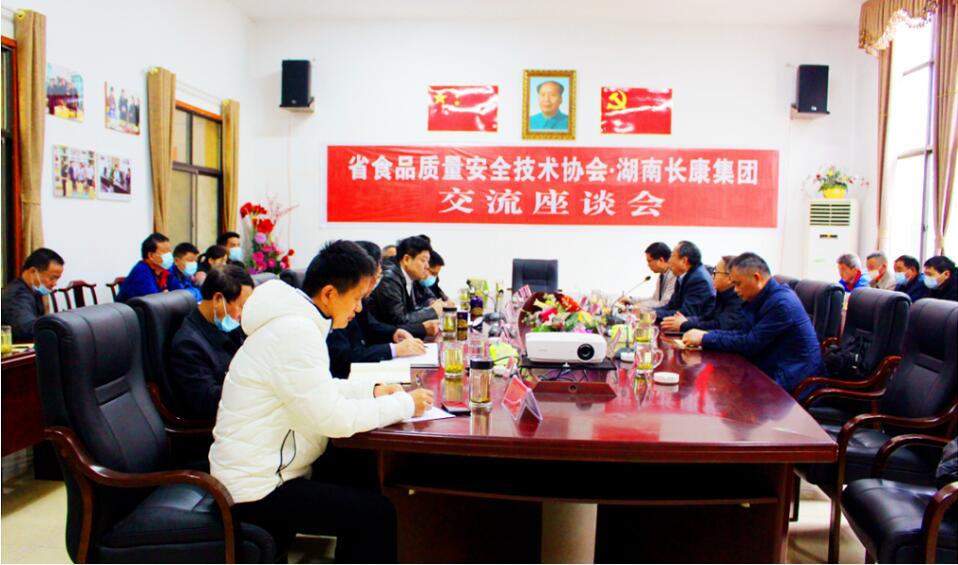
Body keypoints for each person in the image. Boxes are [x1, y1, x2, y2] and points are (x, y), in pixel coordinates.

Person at [209, 240, 433, 562]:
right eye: (356, 299)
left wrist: (371, 391)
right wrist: (406, 405)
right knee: (375, 514)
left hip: (271, 468)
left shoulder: (296, 324)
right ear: (329, 294)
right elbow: (335, 419)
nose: (359, 309)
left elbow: (319, 389)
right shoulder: (295, 333)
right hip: (256, 488)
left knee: (362, 472)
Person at [683, 253, 825, 394]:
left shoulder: (781, 304)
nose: (735, 290)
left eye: (738, 284)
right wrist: (706, 335)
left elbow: (750, 343)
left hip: (794, 382)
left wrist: (705, 338)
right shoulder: (763, 298)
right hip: (772, 370)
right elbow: (743, 333)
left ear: (757, 278)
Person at [327, 241, 427, 379]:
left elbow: (370, 325)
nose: (376, 283)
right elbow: (343, 359)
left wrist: (394, 332)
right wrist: (393, 350)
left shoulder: (357, 299)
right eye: (377, 276)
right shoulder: (336, 303)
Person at [168, 266, 253, 420]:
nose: (244, 313)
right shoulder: (188, 345)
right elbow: (207, 402)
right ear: (218, 299)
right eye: (241, 306)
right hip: (224, 421)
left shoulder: (228, 325)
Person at [368, 235, 443, 338]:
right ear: (407, 259)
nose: (427, 266)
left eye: (428, 261)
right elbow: (399, 320)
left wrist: (430, 304)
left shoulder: (411, 276)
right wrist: (432, 311)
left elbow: (414, 308)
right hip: (380, 339)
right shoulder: (389, 278)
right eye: (423, 260)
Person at [661, 255, 748, 333]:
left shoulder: (739, 298)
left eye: (715, 272)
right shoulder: (722, 294)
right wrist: (687, 320)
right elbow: (706, 317)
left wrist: (685, 324)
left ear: (730, 278)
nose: (712, 276)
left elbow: (719, 325)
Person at [1, 248, 64, 342]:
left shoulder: (33, 291)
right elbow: (27, 330)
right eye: (52, 278)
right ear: (33, 271)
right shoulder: (16, 296)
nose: (54, 284)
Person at [654, 241, 716, 319]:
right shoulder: (682, 276)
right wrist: (651, 312)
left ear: (684, 261)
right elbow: (671, 306)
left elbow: (685, 314)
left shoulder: (698, 280)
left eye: (672, 256)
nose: (669, 261)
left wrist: (654, 315)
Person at [116, 233, 182, 303]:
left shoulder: (164, 269)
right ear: (151, 255)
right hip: (133, 309)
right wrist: (166, 296)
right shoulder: (141, 273)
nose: (169, 255)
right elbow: (153, 303)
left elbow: (180, 293)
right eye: (165, 252)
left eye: (169, 251)